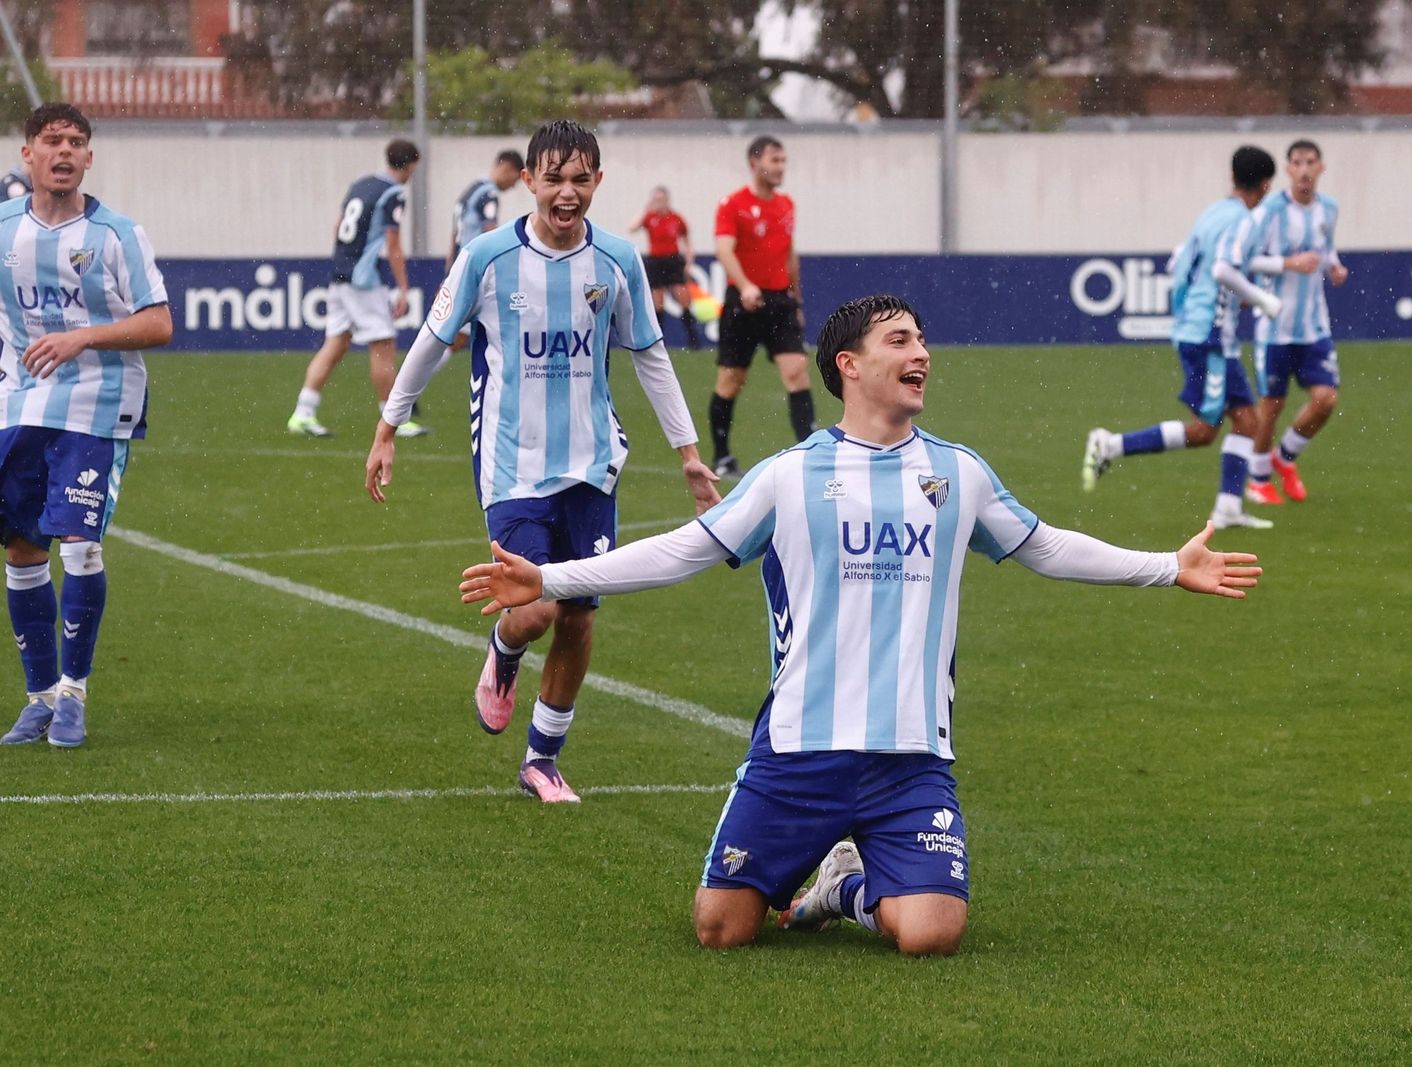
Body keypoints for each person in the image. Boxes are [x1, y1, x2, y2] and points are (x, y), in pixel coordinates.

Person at [459, 294, 1262, 954]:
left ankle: (842, 887)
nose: (922, 354)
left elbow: (1046, 547)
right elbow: (682, 552)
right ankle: (813, 861)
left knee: (932, 936)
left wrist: (1167, 564)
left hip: (911, 756)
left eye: (923, 339)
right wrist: (550, 576)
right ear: (849, 364)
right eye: (901, 339)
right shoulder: (790, 474)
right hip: (798, 751)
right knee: (720, 930)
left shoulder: (959, 471)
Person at [365, 120, 720, 803]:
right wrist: (388, 426)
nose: (567, 193)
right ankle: (504, 647)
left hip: (592, 465)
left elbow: (649, 354)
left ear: (597, 183)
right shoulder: (487, 257)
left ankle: (542, 758)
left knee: (580, 614)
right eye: (553, 178)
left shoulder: (617, 260)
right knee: (533, 611)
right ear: (528, 180)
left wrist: (688, 453)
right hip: (511, 466)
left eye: (580, 179)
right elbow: (433, 340)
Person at [0, 104, 173, 748]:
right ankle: (38, 697)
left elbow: (159, 323)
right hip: (20, 403)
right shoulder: (4, 230)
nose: (64, 151)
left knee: (78, 542)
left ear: (89, 158)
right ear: (29, 154)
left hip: (99, 402)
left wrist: (84, 339)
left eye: (76, 142)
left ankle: (73, 693)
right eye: (52, 141)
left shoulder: (118, 234)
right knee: (21, 551)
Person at [1081, 145, 1285, 530]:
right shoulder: (1244, 220)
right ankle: (1110, 444)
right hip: (1208, 333)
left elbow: (1181, 260)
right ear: (1265, 185)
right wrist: (1261, 300)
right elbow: (1224, 270)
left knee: (1248, 420)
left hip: (1206, 330)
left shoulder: (1212, 213)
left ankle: (1228, 508)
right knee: (1207, 430)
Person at [287, 139, 426, 439]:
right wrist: (403, 286)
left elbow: (338, 227)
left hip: (340, 274)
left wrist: (343, 262)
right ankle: (395, 418)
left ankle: (302, 413)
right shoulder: (393, 193)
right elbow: (393, 243)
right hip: (364, 282)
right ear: (411, 164)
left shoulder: (361, 184)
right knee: (383, 347)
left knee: (335, 345)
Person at [1244, 140, 1348, 506]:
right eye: (1297, 163)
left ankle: (1283, 457)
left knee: (1325, 400)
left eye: (1311, 162)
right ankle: (1258, 480)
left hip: (1314, 326)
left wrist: (1333, 265)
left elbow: (1326, 246)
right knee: (1270, 406)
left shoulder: (1329, 209)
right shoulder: (1270, 210)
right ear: (1288, 170)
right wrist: (1288, 264)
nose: (1304, 169)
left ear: (1321, 168)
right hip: (1275, 327)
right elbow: (1247, 260)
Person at [707, 135, 814, 480]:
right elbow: (724, 250)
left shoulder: (788, 205)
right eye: (775, 160)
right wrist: (745, 284)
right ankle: (722, 456)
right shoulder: (732, 204)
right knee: (730, 380)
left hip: (780, 302)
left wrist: (796, 298)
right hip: (744, 304)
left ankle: (810, 453)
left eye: (784, 161)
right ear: (755, 163)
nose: (781, 167)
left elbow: (789, 254)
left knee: (797, 371)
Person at [629, 185, 701, 350]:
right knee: (658, 302)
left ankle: (693, 338)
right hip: (655, 261)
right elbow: (632, 228)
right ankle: (658, 340)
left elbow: (686, 239)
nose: (659, 202)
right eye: (656, 199)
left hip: (673, 260)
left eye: (662, 199)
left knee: (683, 297)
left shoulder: (676, 218)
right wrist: (646, 208)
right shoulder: (649, 217)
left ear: (668, 200)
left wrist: (689, 260)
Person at [450, 149, 524, 264]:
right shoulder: (489, 195)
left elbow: (455, 232)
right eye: (515, 180)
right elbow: (490, 229)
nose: (513, 186)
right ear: (506, 168)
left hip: (459, 259)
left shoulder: (473, 189)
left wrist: (450, 267)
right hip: (474, 262)